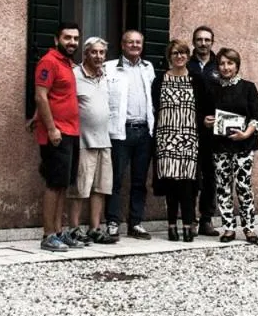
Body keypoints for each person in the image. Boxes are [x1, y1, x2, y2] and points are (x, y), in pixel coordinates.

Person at [151, 39, 212, 241]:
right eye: (176, 53)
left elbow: (204, 106)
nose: (179, 57)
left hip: (189, 138)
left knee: (187, 184)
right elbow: (154, 106)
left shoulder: (196, 79)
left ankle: (188, 225)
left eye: (183, 53)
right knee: (170, 184)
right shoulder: (160, 80)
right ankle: (171, 226)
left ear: (188, 56)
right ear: (170, 56)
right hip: (166, 137)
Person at [33, 22, 83, 253]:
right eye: (67, 38)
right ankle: (48, 235)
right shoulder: (49, 62)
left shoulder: (68, 64)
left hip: (71, 131)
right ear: (57, 40)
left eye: (75, 38)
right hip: (57, 133)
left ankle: (59, 230)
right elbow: (41, 96)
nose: (72, 42)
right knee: (54, 184)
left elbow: (55, 96)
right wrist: (51, 128)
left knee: (63, 184)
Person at [104, 30, 157, 240]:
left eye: (138, 42)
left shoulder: (148, 68)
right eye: (130, 42)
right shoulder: (110, 68)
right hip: (121, 132)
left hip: (144, 131)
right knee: (115, 179)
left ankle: (136, 223)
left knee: (139, 181)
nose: (134, 45)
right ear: (123, 44)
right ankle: (112, 222)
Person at [206, 48, 258, 244]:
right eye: (222, 63)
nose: (226, 67)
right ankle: (228, 228)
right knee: (223, 187)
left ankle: (249, 227)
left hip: (244, 145)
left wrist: (246, 133)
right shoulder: (212, 89)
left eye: (230, 63)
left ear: (237, 66)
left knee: (243, 186)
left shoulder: (248, 87)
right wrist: (207, 121)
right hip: (220, 146)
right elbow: (206, 116)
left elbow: (256, 117)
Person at [70, 36, 116, 244]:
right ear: (85, 54)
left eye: (102, 53)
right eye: (94, 52)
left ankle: (95, 228)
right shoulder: (75, 75)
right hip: (83, 141)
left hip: (104, 140)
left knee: (100, 187)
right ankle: (73, 229)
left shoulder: (106, 75)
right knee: (80, 188)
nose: (98, 56)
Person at [187, 25, 221, 236]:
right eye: (199, 39)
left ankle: (206, 219)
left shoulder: (221, 65)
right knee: (190, 175)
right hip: (190, 128)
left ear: (212, 42)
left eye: (207, 39)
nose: (203, 43)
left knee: (211, 176)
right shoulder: (186, 65)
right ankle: (190, 219)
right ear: (194, 42)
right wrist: (200, 119)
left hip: (215, 130)